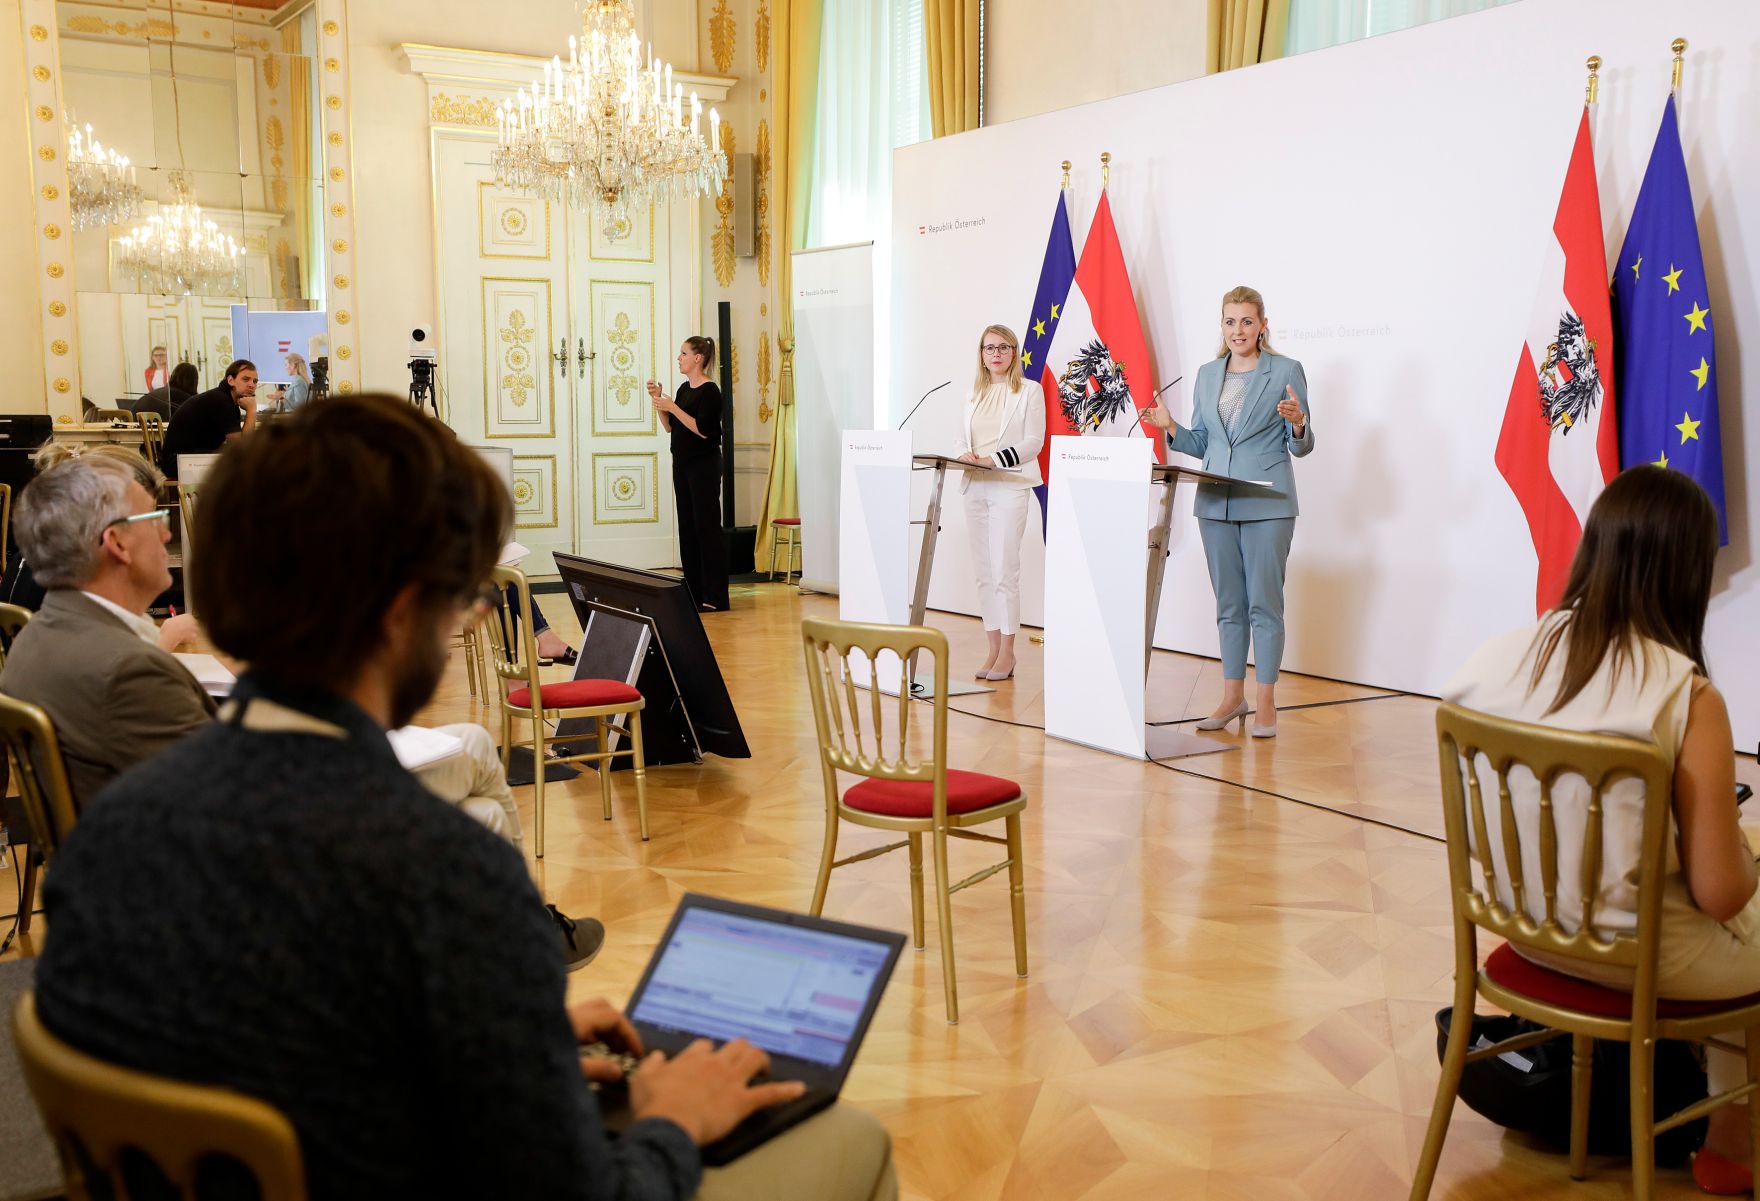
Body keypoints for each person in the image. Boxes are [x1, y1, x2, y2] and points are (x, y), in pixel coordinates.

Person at [33, 395, 894, 1201]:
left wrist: (517, 1051)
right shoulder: (446, 875)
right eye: (465, 593)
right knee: (853, 1143)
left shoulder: (112, 835)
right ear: (409, 612)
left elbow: (293, 1050)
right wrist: (672, 1117)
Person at [1442, 467, 1748, 1195]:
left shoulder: (1491, 660)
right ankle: (1731, 1137)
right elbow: (1721, 893)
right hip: (1639, 962)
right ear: (1686, 572)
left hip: (1528, 937)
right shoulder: (1686, 692)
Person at [1141, 285, 1312, 737]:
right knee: (1229, 605)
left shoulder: (1286, 370)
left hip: (1268, 502)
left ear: (1262, 325)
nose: (1238, 330)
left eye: (1247, 321)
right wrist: (1171, 427)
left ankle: (1266, 701)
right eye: (1230, 321)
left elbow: (1304, 445)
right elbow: (1203, 443)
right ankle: (1232, 697)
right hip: (1215, 504)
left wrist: (1297, 423)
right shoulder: (1206, 374)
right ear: (1222, 326)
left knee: (1264, 605)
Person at [954, 324, 1044, 682]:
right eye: (989, 348)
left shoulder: (1029, 391)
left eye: (1003, 348)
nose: (996, 354)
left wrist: (995, 459)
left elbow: (1034, 441)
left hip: (1009, 485)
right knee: (983, 573)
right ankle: (991, 647)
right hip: (975, 486)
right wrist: (966, 455)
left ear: (1014, 352)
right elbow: (960, 437)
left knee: (1005, 571)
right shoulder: (972, 394)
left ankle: (1008, 651)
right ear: (981, 354)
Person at [648, 337, 729, 612]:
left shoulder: (710, 391)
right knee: (687, 527)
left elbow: (704, 429)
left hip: (703, 466)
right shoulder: (684, 389)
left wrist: (673, 407)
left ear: (698, 358)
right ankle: (693, 592)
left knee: (706, 528)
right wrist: (660, 403)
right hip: (682, 464)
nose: (678, 358)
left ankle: (715, 596)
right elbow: (671, 427)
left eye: (683, 353)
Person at [159, 358, 258, 478]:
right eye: (246, 379)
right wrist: (251, 411)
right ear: (231, 380)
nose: (252, 385)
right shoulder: (221, 400)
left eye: (255, 381)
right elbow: (241, 448)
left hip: (190, 458)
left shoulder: (226, 400)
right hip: (179, 462)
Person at [132, 361, 198, 420]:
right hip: (157, 432)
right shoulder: (184, 399)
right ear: (193, 382)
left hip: (133, 427)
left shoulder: (161, 392)